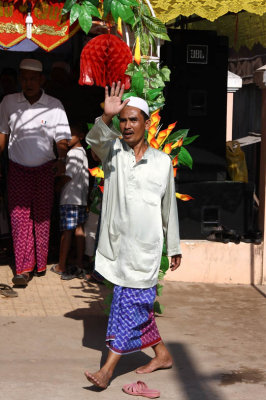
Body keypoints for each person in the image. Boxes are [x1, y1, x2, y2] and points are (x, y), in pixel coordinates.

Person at [84, 82, 182, 389]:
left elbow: (169, 209)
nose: (126, 126)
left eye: (133, 119)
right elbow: (94, 140)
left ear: (147, 123)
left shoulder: (163, 163)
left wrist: (174, 245)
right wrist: (107, 117)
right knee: (136, 306)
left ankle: (107, 370)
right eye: (123, 120)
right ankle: (162, 354)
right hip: (117, 247)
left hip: (147, 251)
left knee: (128, 307)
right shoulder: (112, 152)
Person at [0, 58, 71, 286]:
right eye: (24, 78)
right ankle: (23, 269)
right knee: (19, 218)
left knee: (41, 219)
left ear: (42, 80)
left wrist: (61, 159)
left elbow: (62, 137)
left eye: (33, 78)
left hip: (44, 171)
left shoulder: (55, 105)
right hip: (17, 170)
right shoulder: (8, 102)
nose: (28, 82)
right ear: (20, 79)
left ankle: (39, 264)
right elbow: (2, 135)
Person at [50, 123, 89, 278]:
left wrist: (57, 186)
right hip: (80, 198)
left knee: (66, 232)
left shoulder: (73, 154)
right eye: (65, 136)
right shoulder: (82, 153)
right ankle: (79, 261)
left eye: (71, 135)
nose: (67, 139)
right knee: (79, 230)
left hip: (69, 198)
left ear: (81, 136)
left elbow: (68, 175)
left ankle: (61, 265)